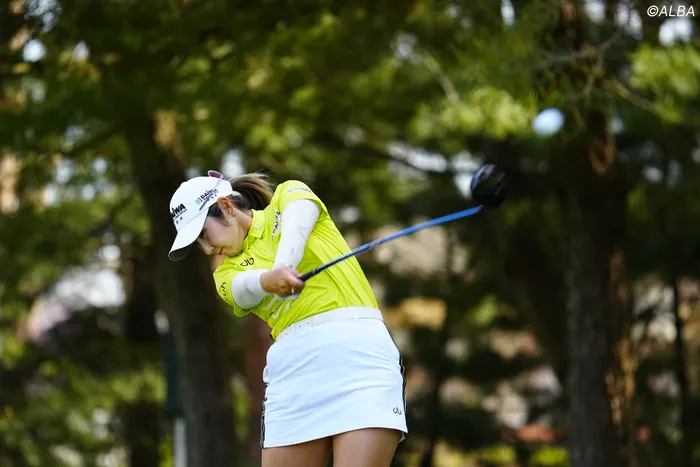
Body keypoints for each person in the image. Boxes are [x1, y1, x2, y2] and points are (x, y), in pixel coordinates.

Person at [167, 170, 407, 467]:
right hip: (294, 371)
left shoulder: (289, 194)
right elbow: (243, 289)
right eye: (198, 244)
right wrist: (268, 280)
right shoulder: (225, 274)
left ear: (226, 206)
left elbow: (297, 225)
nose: (206, 249)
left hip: (359, 357)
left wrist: (284, 266)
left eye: (204, 234)